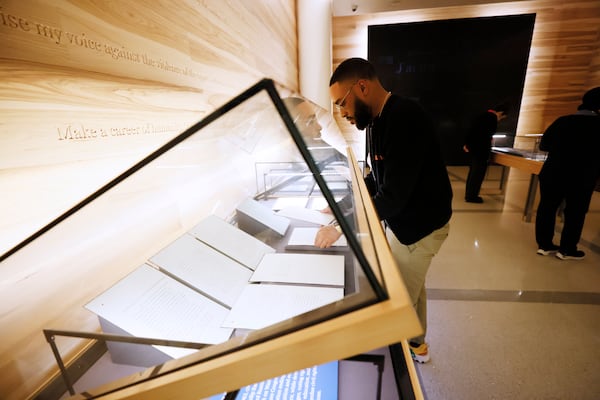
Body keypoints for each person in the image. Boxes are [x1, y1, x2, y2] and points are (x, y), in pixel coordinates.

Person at [314, 58, 453, 363]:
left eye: (341, 103)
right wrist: (342, 207)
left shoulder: (405, 118)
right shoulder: (377, 120)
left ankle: (407, 351)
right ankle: (418, 342)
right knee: (412, 284)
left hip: (421, 228)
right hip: (404, 223)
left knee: (398, 294)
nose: (342, 113)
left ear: (361, 86)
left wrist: (340, 227)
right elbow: (374, 181)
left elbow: (392, 197)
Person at [535, 87, 600, 260]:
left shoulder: (562, 121)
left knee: (547, 207)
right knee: (575, 212)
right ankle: (567, 249)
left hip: (553, 172)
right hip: (582, 176)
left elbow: (544, 145)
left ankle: (544, 245)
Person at [462, 103, 510, 203]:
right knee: (478, 173)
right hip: (481, 150)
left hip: (474, 148)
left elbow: (471, 129)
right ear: (501, 113)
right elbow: (488, 134)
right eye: (502, 117)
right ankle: (472, 196)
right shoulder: (492, 118)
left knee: (473, 172)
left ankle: (469, 194)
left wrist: (467, 144)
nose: (501, 119)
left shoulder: (482, 115)